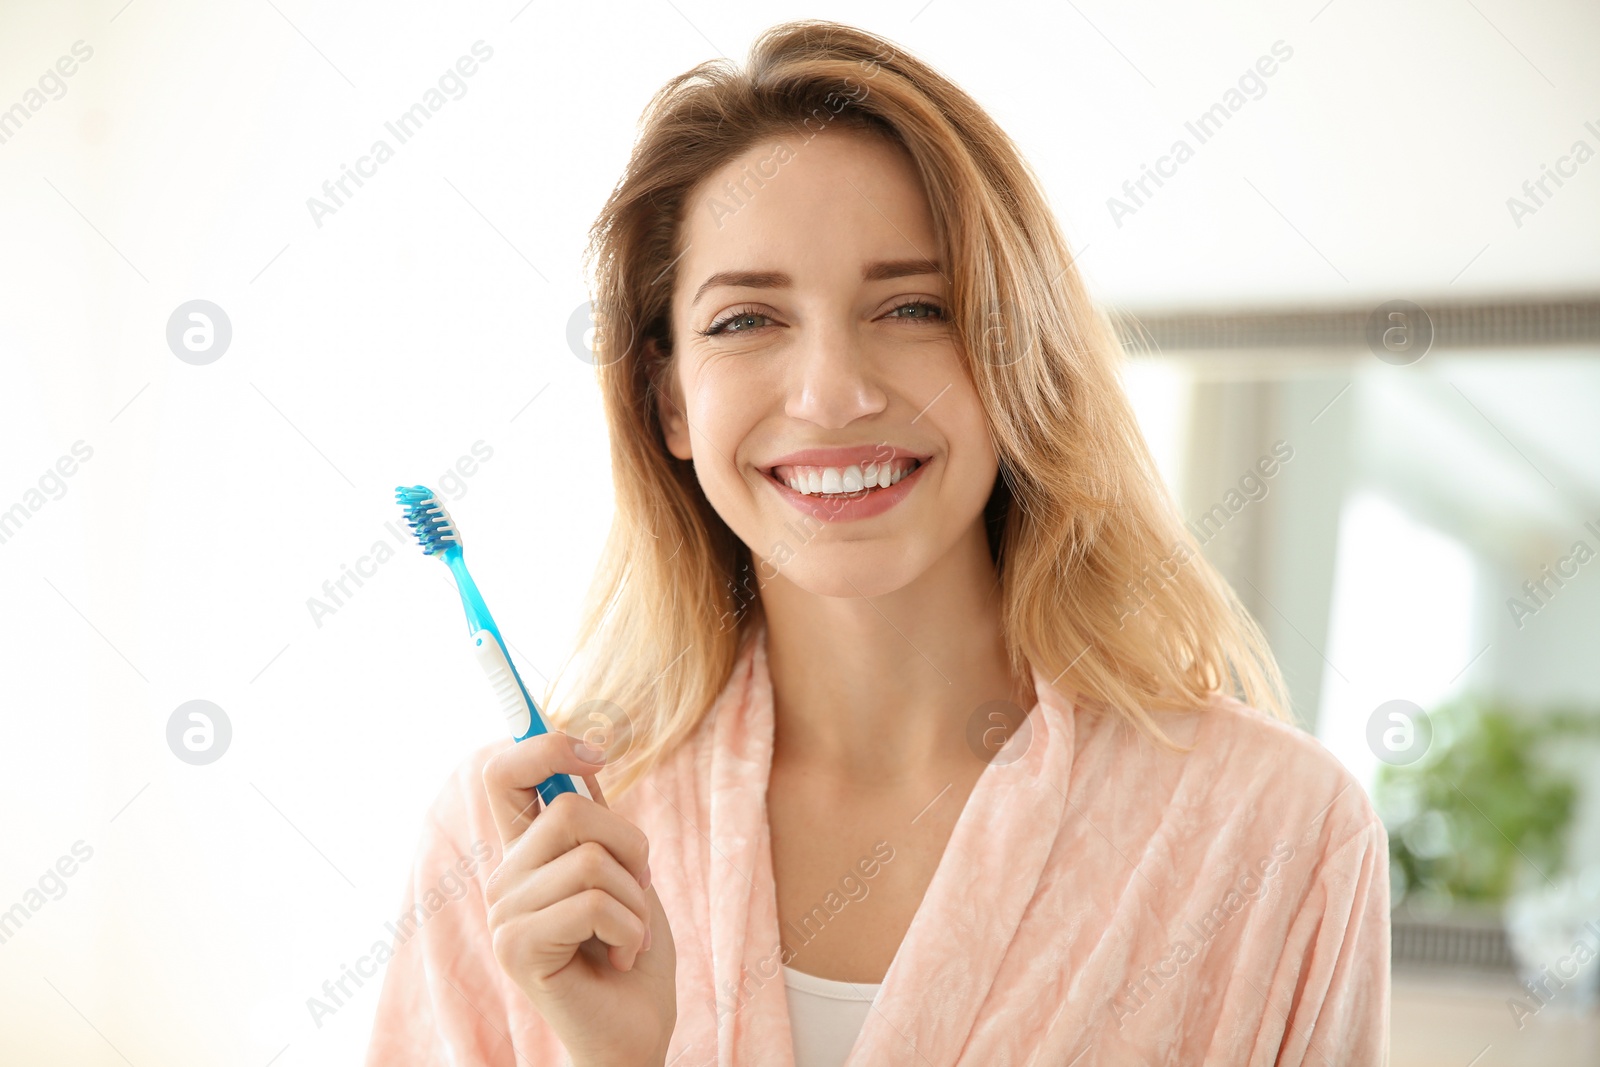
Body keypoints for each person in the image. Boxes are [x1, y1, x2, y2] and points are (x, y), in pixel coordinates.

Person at [365, 19, 1389, 1067]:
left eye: (912, 306)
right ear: (667, 398)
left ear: (1014, 356)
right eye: (745, 320)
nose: (834, 393)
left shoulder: (1275, 833)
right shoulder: (519, 845)